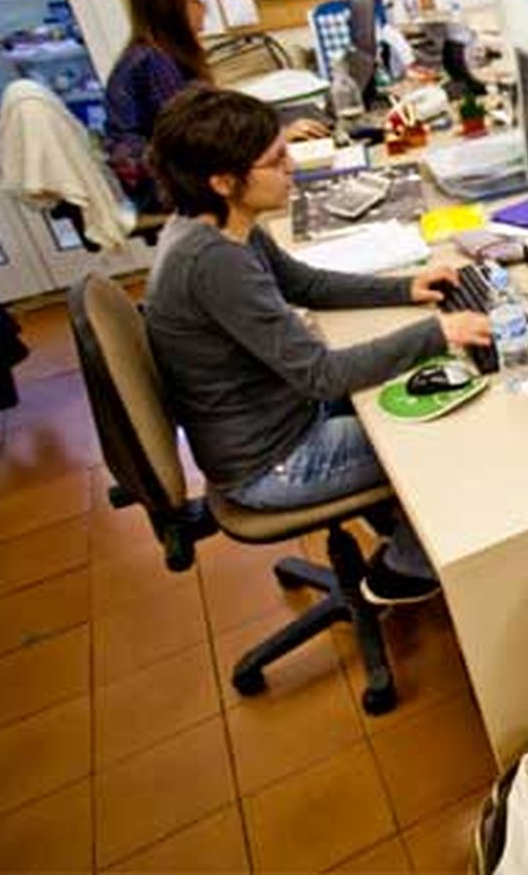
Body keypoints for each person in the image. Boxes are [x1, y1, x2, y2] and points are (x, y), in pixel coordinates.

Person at [142, 86, 492, 604]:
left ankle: (395, 521)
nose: (292, 167)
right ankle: (405, 569)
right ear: (223, 181)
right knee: (443, 433)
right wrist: (439, 331)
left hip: (278, 415)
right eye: (275, 160)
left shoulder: (217, 222)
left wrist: (404, 288)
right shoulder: (214, 263)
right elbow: (323, 376)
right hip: (274, 462)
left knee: (411, 384)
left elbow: (304, 284)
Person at [103, 0, 326, 213]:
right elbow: (197, 139)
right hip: (164, 186)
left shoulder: (154, 53)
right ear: (171, 10)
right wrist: (275, 138)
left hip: (167, 174)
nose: (204, 8)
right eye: (194, 1)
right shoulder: (155, 61)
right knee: (276, 184)